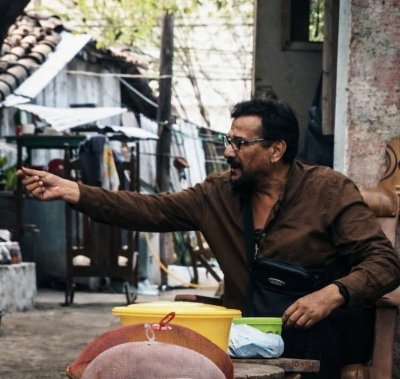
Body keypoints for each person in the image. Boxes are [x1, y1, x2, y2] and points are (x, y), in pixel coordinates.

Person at [18, 98, 400, 378]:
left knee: (313, 336)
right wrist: (75, 192)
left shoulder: (327, 190)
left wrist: (331, 294)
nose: (228, 152)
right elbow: (149, 210)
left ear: (276, 150)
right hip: (248, 327)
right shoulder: (217, 194)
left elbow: (385, 262)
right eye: (227, 140)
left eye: (239, 144)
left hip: (320, 327)